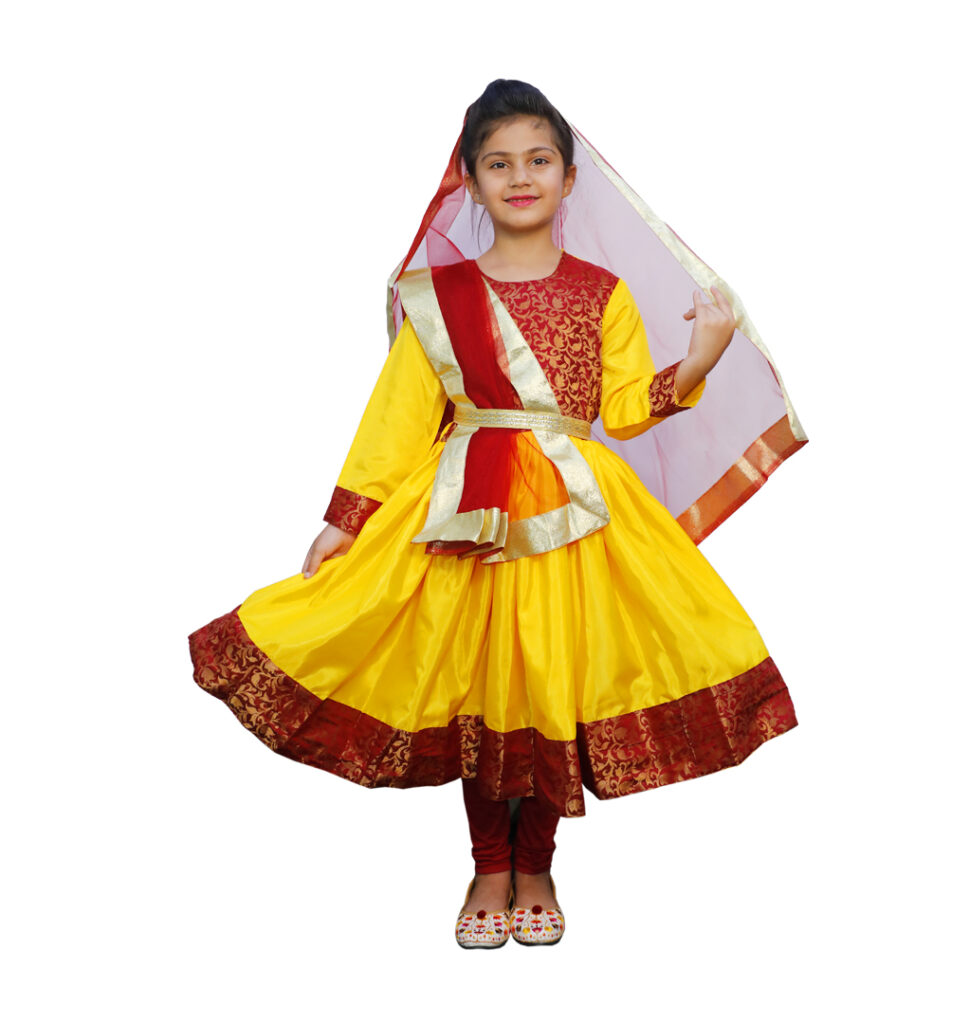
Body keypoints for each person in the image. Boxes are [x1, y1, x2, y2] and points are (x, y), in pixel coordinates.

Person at [188, 79, 805, 950]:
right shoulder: (437, 295)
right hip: (466, 510)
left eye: (539, 160)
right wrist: (348, 519)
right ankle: (487, 864)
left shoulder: (602, 292)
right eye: (499, 164)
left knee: (547, 676)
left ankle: (538, 863)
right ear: (471, 183)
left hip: (573, 514)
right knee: (483, 682)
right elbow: (399, 418)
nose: (521, 177)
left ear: (568, 176)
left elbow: (623, 409)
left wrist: (699, 357)